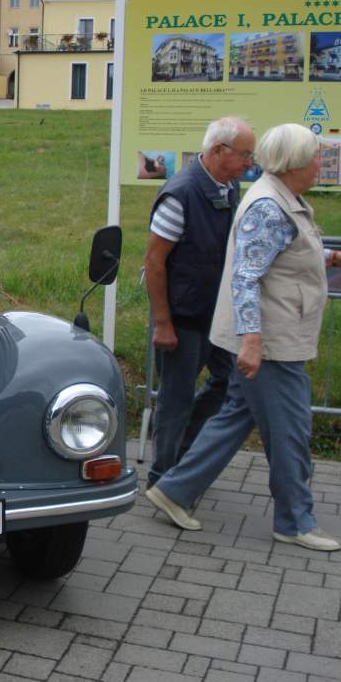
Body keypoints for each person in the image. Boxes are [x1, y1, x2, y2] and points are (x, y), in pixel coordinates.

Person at [146, 123, 341, 551]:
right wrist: (251, 342)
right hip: (271, 342)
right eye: (317, 158)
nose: (322, 165)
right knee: (290, 431)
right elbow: (246, 277)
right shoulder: (267, 204)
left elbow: (278, 251)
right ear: (295, 164)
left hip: (272, 336)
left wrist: (335, 256)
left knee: (232, 419)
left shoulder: (278, 199)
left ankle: (174, 490)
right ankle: (294, 520)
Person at [143, 116, 255, 488]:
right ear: (219, 151)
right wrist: (163, 323)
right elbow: (154, 261)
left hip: (216, 317)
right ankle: (162, 478)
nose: (249, 163)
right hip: (183, 317)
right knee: (175, 400)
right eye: (244, 154)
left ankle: (183, 456)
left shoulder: (229, 186)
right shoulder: (182, 194)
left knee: (230, 380)